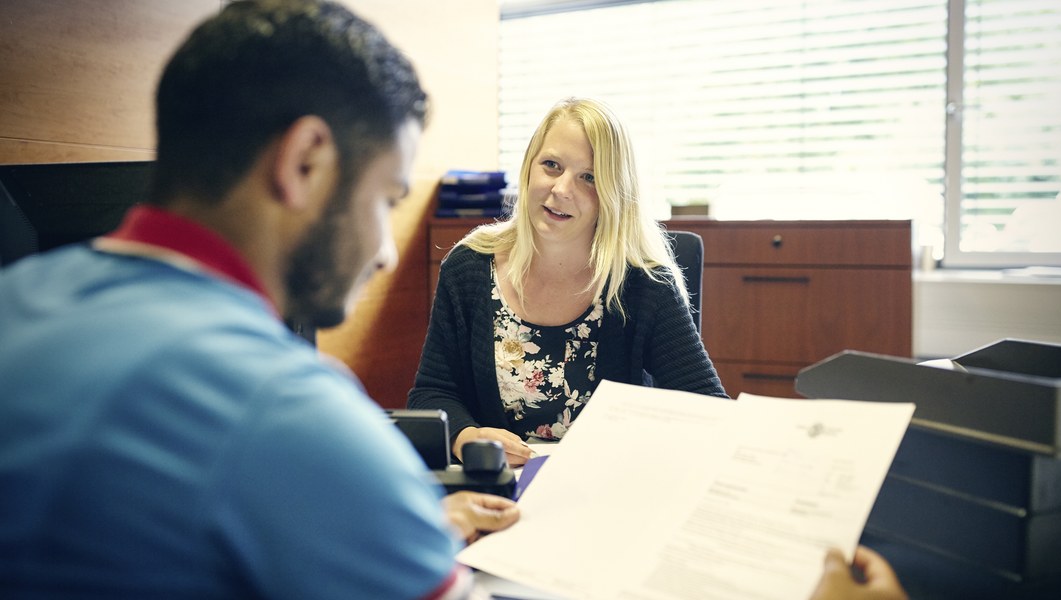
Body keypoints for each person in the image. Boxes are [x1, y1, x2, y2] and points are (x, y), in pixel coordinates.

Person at [0, 1, 516, 598]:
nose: (385, 252)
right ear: (305, 161)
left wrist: (400, 530)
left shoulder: (16, 299)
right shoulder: (289, 408)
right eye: (387, 198)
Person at [408, 98, 728, 468]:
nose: (561, 189)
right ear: (529, 167)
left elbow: (709, 411)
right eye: (551, 165)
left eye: (589, 177)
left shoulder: (642, 283)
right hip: (500, 493)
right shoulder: (469, 269)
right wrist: (467, 437)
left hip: (606, 491)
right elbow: (433, 393)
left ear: (614, 194)